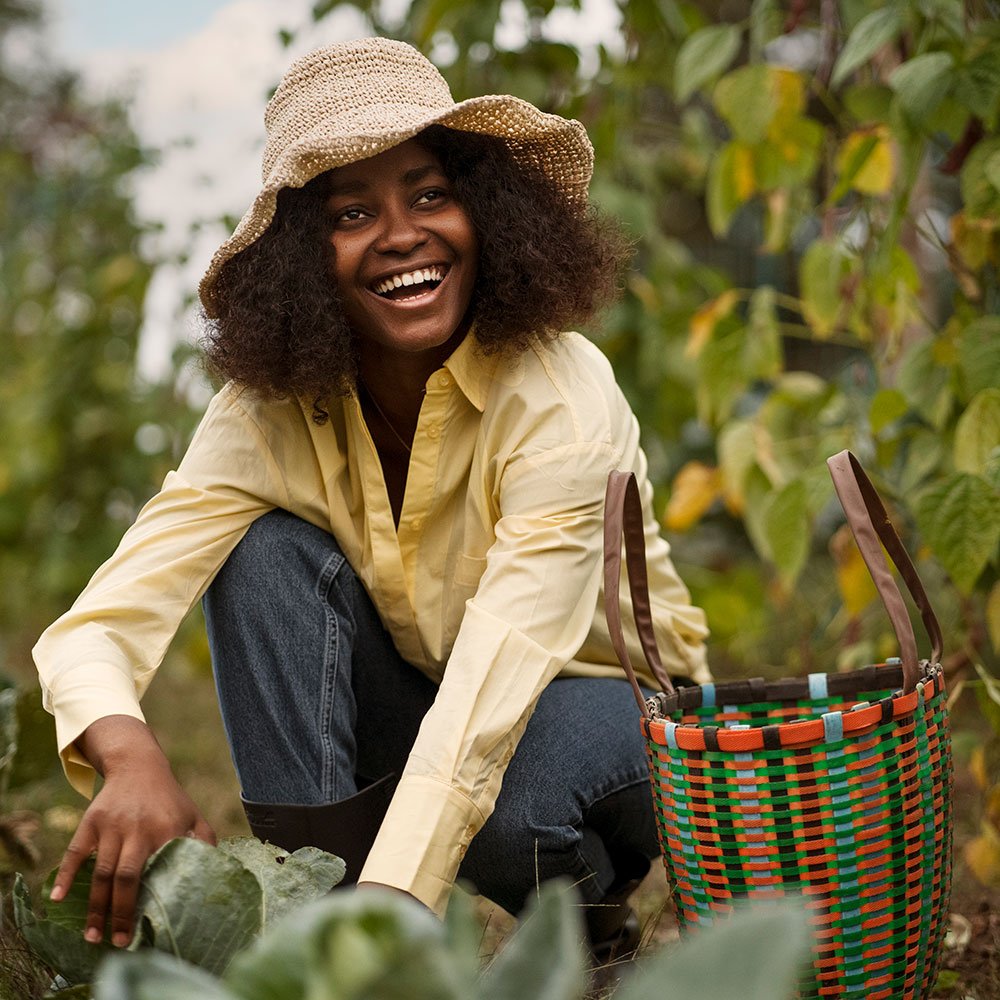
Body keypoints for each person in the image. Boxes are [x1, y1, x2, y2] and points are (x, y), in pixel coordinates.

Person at [33, 37, 710, 958]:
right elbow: (98, 623)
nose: (401, 235)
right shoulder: (267, 416)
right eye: (353, 213)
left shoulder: (560, 394)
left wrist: (389, 919)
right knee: (261, 555)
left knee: (512, 808)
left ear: (485, 212)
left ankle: (583, 925)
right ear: (304, 258)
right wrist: (128, 753)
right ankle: (307, 919)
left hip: (617, 708)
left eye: (430, 194)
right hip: (438, 695)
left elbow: (487, 701)